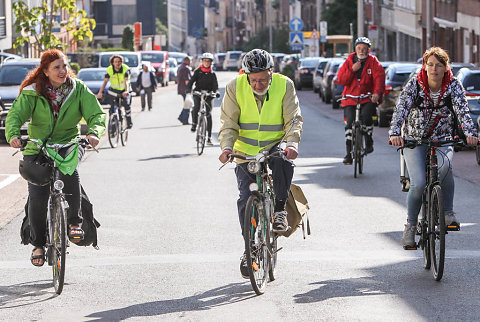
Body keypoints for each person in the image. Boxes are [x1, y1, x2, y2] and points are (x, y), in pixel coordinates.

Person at [5, 49, 106, 266]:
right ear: (45, 71)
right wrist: (13, 135)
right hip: (37, 147)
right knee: (38, 193)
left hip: (68, 143)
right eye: (56, 68)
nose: (62, 71)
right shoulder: (33, 92)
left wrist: (94, 133)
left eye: (64, 66)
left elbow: (96, 114)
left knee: (69, 171)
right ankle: (39, 244)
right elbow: (15, 116)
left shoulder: (78, 90)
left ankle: (74, 223)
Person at [218, 49, 302, 279]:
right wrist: (227, 147)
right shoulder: (235, 87)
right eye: (253, 79)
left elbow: (293, 119)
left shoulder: (284, 85)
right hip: (245, 151)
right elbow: (228, 122)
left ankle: (280, 210)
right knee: (246, 198)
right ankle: (250, 249)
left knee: (283, 161)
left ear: (271, 73)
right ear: (245, 75)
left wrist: (292, 143)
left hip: (274, 146)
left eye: (263, 79)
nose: (257, 84)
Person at [389, 47, 478, 248]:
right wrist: (395, 133)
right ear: (424, 66)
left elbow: (463, 110)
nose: (434, 69)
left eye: (439, 65)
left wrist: (470, 133)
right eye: (430, 65)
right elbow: (400, 110)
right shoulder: (415, 85)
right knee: (418, 183)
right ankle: (411, 226)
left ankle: (448, 213)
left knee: (446, 168)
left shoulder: (454, 85)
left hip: (443, 138)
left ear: (446, 67)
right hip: (414, 139)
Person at [336, 37, 385, 165]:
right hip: (350, 98)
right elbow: (341, 80)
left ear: (368, 50)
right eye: (359, 48)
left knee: (366, 115)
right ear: (355, 49)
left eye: (364, 49)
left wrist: (376, 94)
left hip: (367, 97)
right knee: (349, 122)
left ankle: (368, 141)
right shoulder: (349, 61)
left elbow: (379, 79)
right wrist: (352, 69)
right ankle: (348, 154)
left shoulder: (373, 62)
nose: (361, 51)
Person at [188, 52, 219, 145]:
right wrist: (188, 89)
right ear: (202, 62)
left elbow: (215, 86)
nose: (206, 63)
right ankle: (194, 124)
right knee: (196, 108)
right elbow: (191, 82)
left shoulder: (212, 74)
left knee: (208, 114)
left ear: (211, 63)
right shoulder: (198, 71)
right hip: (198, 93)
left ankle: (209, 137)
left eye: (208, 61)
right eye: (205, 61)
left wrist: (216, 93)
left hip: (209, 95)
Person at [97, 54, 133, 128]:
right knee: (112, 109)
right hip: (114, 92)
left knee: (126, 105)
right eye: (115, 62)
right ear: (112, 63)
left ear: (121, 62)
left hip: (124, 91)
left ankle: (129, 121)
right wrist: (100, 92)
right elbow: (105, 82)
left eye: (119, 61)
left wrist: (126, 91)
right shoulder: (109, 69)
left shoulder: (126, 69)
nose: (117, 63)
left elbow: (126, 81)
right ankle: (113, 128)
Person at [177, 56, 192, 125]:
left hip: (181, 88)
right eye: (190, 61)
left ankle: (181, 117)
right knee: (188, 104)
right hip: (185, 89)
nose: (190, 62)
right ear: (187, 61)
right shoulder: (186, 68)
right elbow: (187, 80)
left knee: (186, 103)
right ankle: (184, 120)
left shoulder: (181, 67)